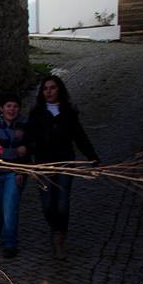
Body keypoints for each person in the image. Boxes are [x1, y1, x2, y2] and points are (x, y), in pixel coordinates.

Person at [26, 75, 99, 260]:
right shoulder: (36, 114)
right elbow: (29, 139)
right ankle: (55, 228)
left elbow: (80, 137)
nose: (49, 91)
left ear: (60, 90)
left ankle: (59, 239)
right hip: (44, 164)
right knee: (48, 205)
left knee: (62, 205)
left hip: (66, 163)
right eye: (46, 89)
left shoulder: (69, 112)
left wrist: (92, 158)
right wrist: (28, 162)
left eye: (53, 88)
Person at [0, 93, 29, 258]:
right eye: (9, 106)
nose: (12, 109)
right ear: (2, 108)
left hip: (13, 173)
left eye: (15, 106)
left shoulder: (24, 125)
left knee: (10, 208)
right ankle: (4, 231)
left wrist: (21, 171)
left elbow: (29, 149)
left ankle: (10, 243)